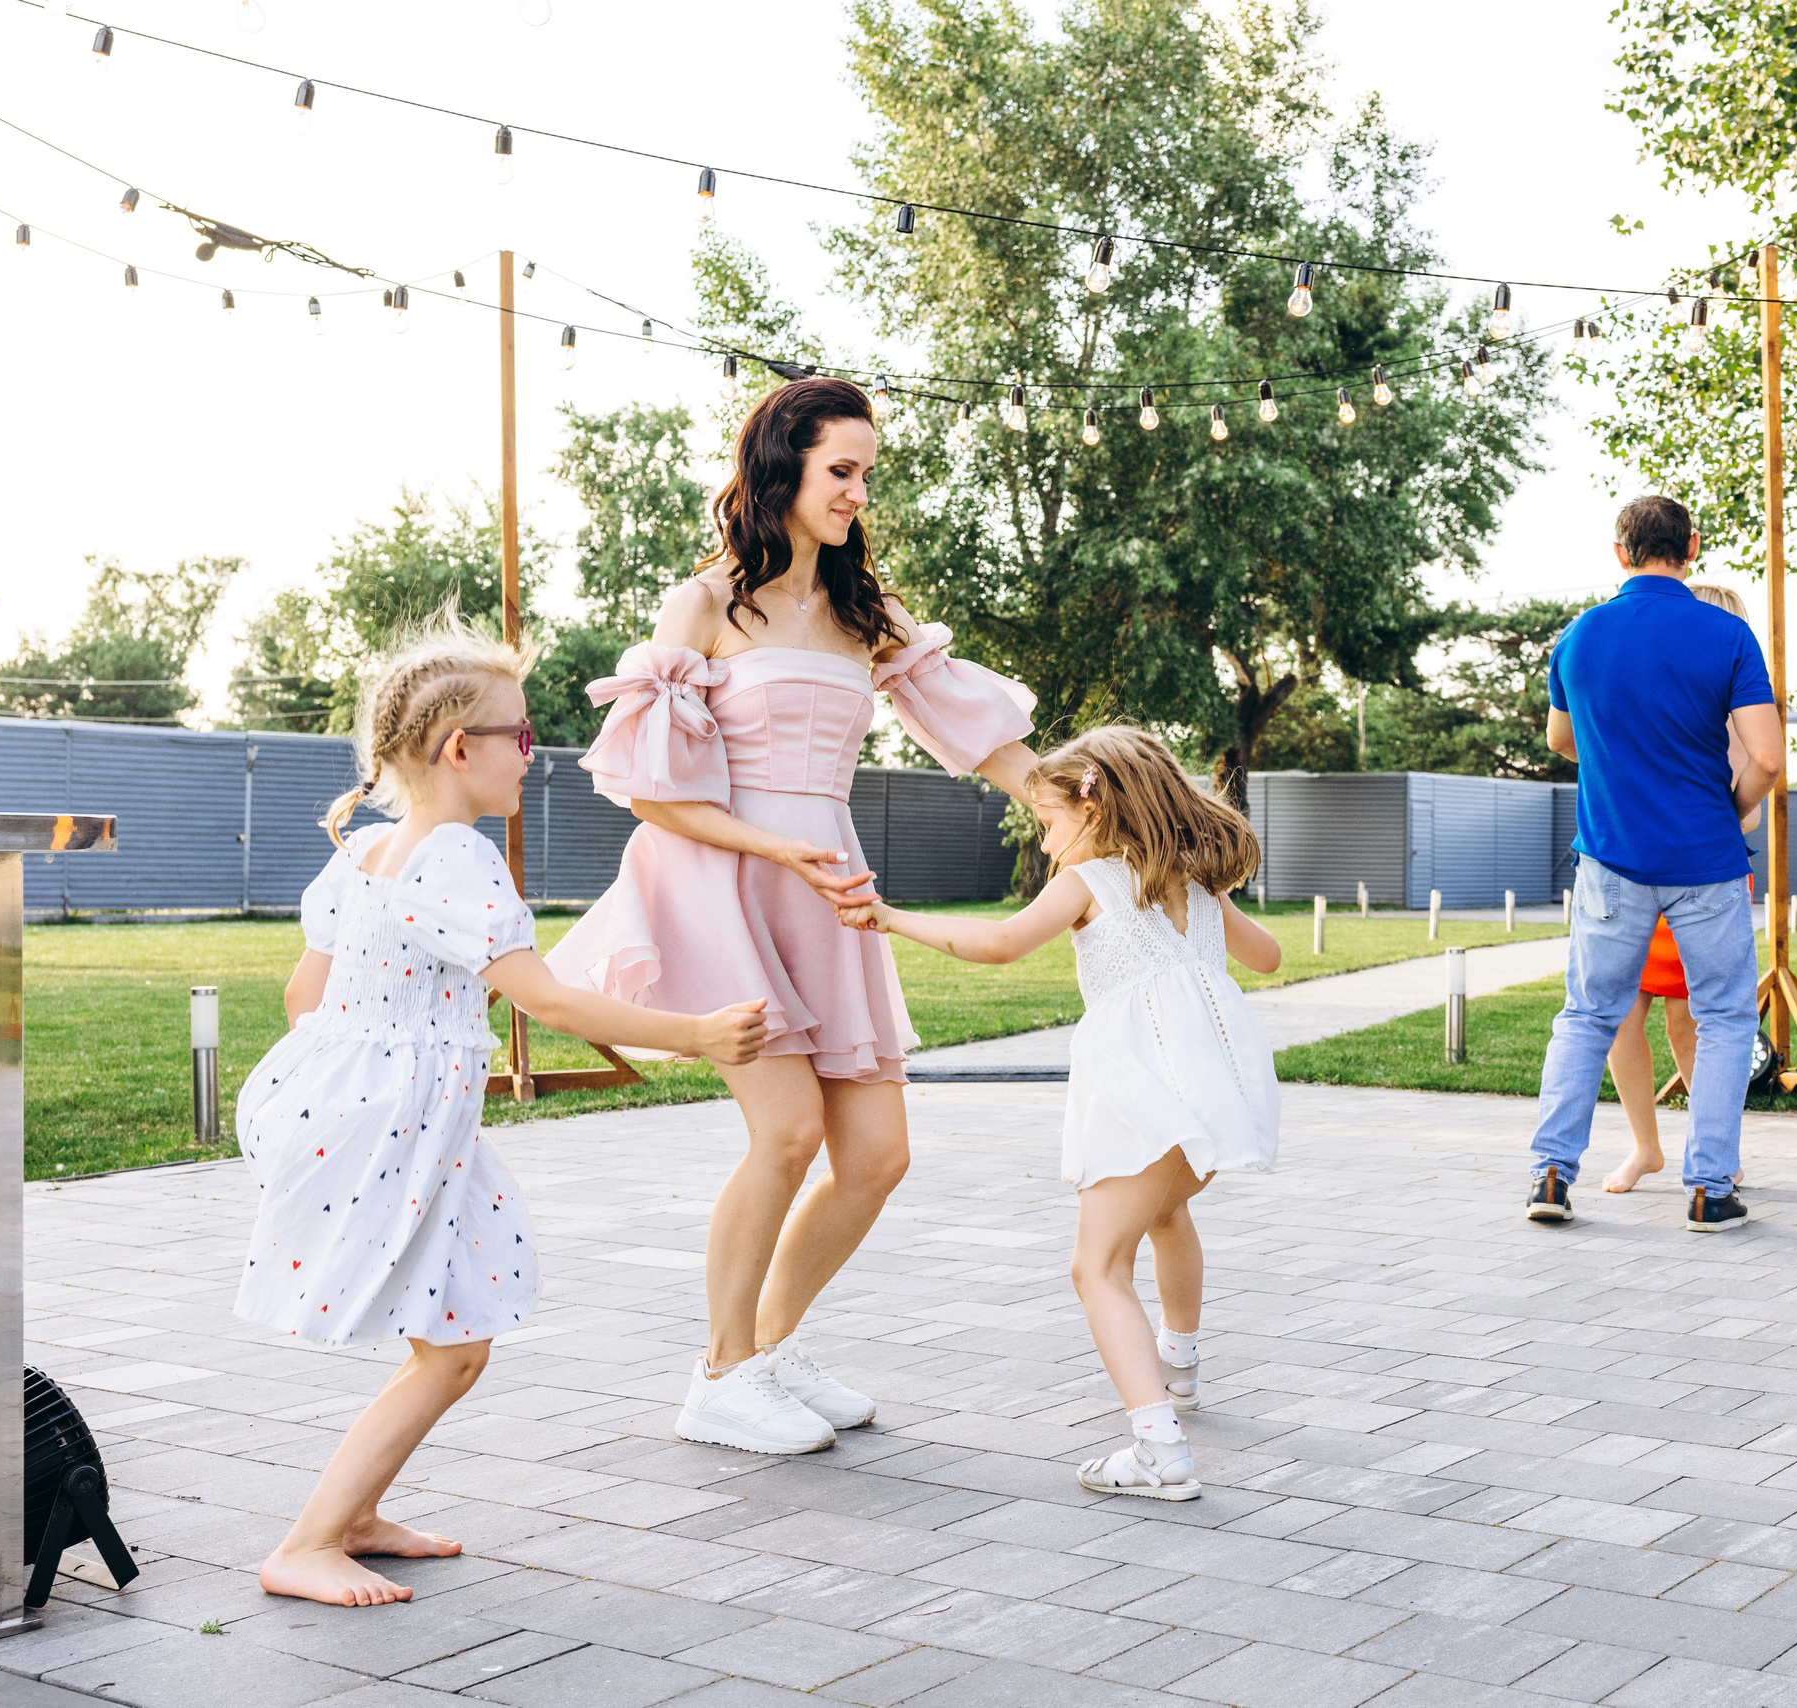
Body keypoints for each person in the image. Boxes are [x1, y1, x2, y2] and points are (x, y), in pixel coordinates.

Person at [546, 377, 1036, 1456]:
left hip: (827, 881)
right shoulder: (705, 604)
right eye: (840, 471)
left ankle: (762, 1350)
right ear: (782, 469)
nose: (858, 492)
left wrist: (1088, 807)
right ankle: (718, 1375)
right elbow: (649, 789)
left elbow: (983, 735)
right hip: (724, 873)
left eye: (866, 473)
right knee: (786, 1131)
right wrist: (776, 848)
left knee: (876, 1154)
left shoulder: (868, 612)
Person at [235, 620, 770, 1606]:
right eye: (521, 738)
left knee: (451, 1339)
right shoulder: (458, 861)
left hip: (354, 1112)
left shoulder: (362, 855)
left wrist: (422, 1017)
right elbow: (550, 1000)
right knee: (453, 1349)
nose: (537, 757)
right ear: (456, 747)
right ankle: (308, 1539)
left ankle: (352, 1517)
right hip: (405, 1129)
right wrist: (695, 1032)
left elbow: (303, 1002)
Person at [841, 727, 1281, 1500]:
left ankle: (1157, 1449)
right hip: (1214, 1088)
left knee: (1097, 1267)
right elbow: (1270, 959)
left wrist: (890, 919)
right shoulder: (1195, 884)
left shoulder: (1093, 883)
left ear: (1094, 802)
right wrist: (1213, 904)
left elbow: (1000, 944)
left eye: (1047, 824)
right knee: (1167, 1214)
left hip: (1140, 1084)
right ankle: (1177, 1362)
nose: (1046, 846)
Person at [1528, 497, 1782, 1232]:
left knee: (1587, 1016)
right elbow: (1765, 756)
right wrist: (1732, 807)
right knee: (1726, 1017)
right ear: (1692, 547)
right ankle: (1709, 1189)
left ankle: (1550, 1175)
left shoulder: (1578, 638)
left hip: (1611, 859)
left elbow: (1561, 741)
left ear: (1620, 554)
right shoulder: (1727, 634)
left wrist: (1619, 753)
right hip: (1705, 859)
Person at [1602, 581, 1767, 1193]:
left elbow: (1749, 814)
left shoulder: (1745, 720)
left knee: (1688, 1021)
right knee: (1621, 1014)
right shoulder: (1663, 712)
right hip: (1634, 871)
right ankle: (1646, 1148)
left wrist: (1704, 818)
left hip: (1706, 876)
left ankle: (1714, 1147)